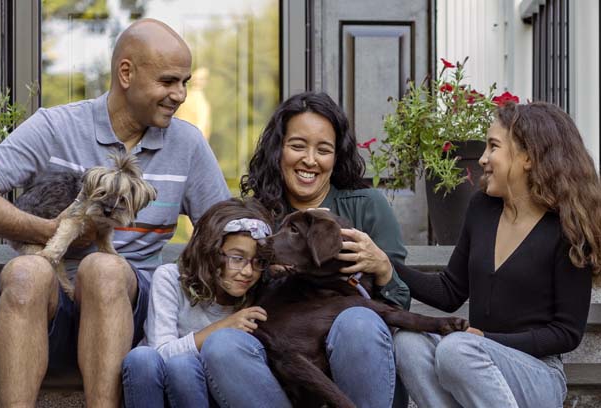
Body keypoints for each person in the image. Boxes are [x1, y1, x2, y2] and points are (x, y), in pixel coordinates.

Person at [0, 19, 229, 407]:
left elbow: (224, 231)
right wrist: (47, 230)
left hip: (125, 313)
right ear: (126, 72)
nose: (179, 95)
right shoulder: (55, 126)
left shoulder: (187, 144)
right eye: (168, 81)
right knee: (26, 270)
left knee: (103, 269)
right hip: (46, 313)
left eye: (184, 82)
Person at [200, 91, 411, 408]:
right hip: (285, 370)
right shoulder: (255, 216)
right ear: (278, 150)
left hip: (358, 367)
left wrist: (383, 268)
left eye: (323, 150)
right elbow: (234, 299)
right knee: (222, 346)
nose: (310, 160)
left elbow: (400, 306)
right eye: (298, 145)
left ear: (336, 157)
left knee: (357, 322)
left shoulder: (367, 207)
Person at [393, 101, 601, 407]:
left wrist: (484, 341)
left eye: (493, 147)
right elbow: (450, 291)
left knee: (456, 351)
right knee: (407, 342)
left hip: (538, 373)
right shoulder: (481, 209)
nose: (482, 158)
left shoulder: (567, 227)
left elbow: (566, 333)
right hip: (473, 359)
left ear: (529, 156)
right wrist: (387, 267)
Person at [122, 197, 273, 408]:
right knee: (141, 357)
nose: (248, 271)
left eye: (258, 261)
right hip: (156, 388)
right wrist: (222, 327)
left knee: (182, 366)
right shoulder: (171, 278)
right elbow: (160, 353)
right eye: (237, 258)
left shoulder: (259, 297)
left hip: (209, 394)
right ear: (210, 252)